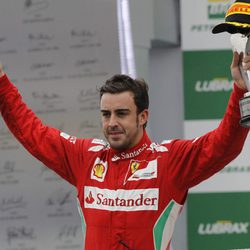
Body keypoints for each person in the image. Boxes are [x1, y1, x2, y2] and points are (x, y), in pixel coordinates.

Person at [0, 50, 249, 250]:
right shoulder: (86, 157)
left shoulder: (169, 161)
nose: (111, 123)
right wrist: (1, 83)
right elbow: (31, 131)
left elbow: (223, 145)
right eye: (105, 114)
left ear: (143, 116)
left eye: (121, 113)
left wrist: (242, 89)